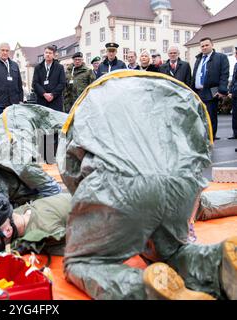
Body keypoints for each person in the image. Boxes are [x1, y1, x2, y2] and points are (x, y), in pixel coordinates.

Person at [58, 70, 236, 300]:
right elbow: (202, 146)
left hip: (120, 184)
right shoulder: (172, 89)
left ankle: (145, 291)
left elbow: (70, 167)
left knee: (83, 261)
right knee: (171, 252)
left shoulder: (88, 100)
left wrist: (95, 216)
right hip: (180, 181)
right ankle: (217, 264)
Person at [192, 37, 230, 140]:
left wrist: (222, 90)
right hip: (198, 92)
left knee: (210, 116)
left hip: (211, 91)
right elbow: (195, 75)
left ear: (212, 45)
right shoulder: (199, 59)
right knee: (200, 115)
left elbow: (224, 74)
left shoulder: (221, 57)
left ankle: (211, 137)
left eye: (206, 45)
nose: (204, 47)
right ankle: (202, 136)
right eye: (202, 46)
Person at [0, 43, 23, 118]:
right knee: (1, 127)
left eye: (7, 51)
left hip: (14, 104)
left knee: (13, 127)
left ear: (9, 52)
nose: (5, 52)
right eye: (3, 50)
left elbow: (19, 84)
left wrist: (21, 100)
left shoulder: (15, 65)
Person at [32, 45, 66, 112]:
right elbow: (35, 83)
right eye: (46, 52)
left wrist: (52, 94)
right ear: (44, 54)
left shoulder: (59, 67)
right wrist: (44, 94)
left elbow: (62, 83)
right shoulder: (38, 68)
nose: (48, 55)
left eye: (50, 53)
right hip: (42, 101)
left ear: (53, 55)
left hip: (55, 101)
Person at [229, 45, 237, 140]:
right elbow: (234, 80)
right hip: (235, 93)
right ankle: (235, 134)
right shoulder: (236, 65)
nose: (235, 55)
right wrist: (231, 91)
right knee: (235, 115)